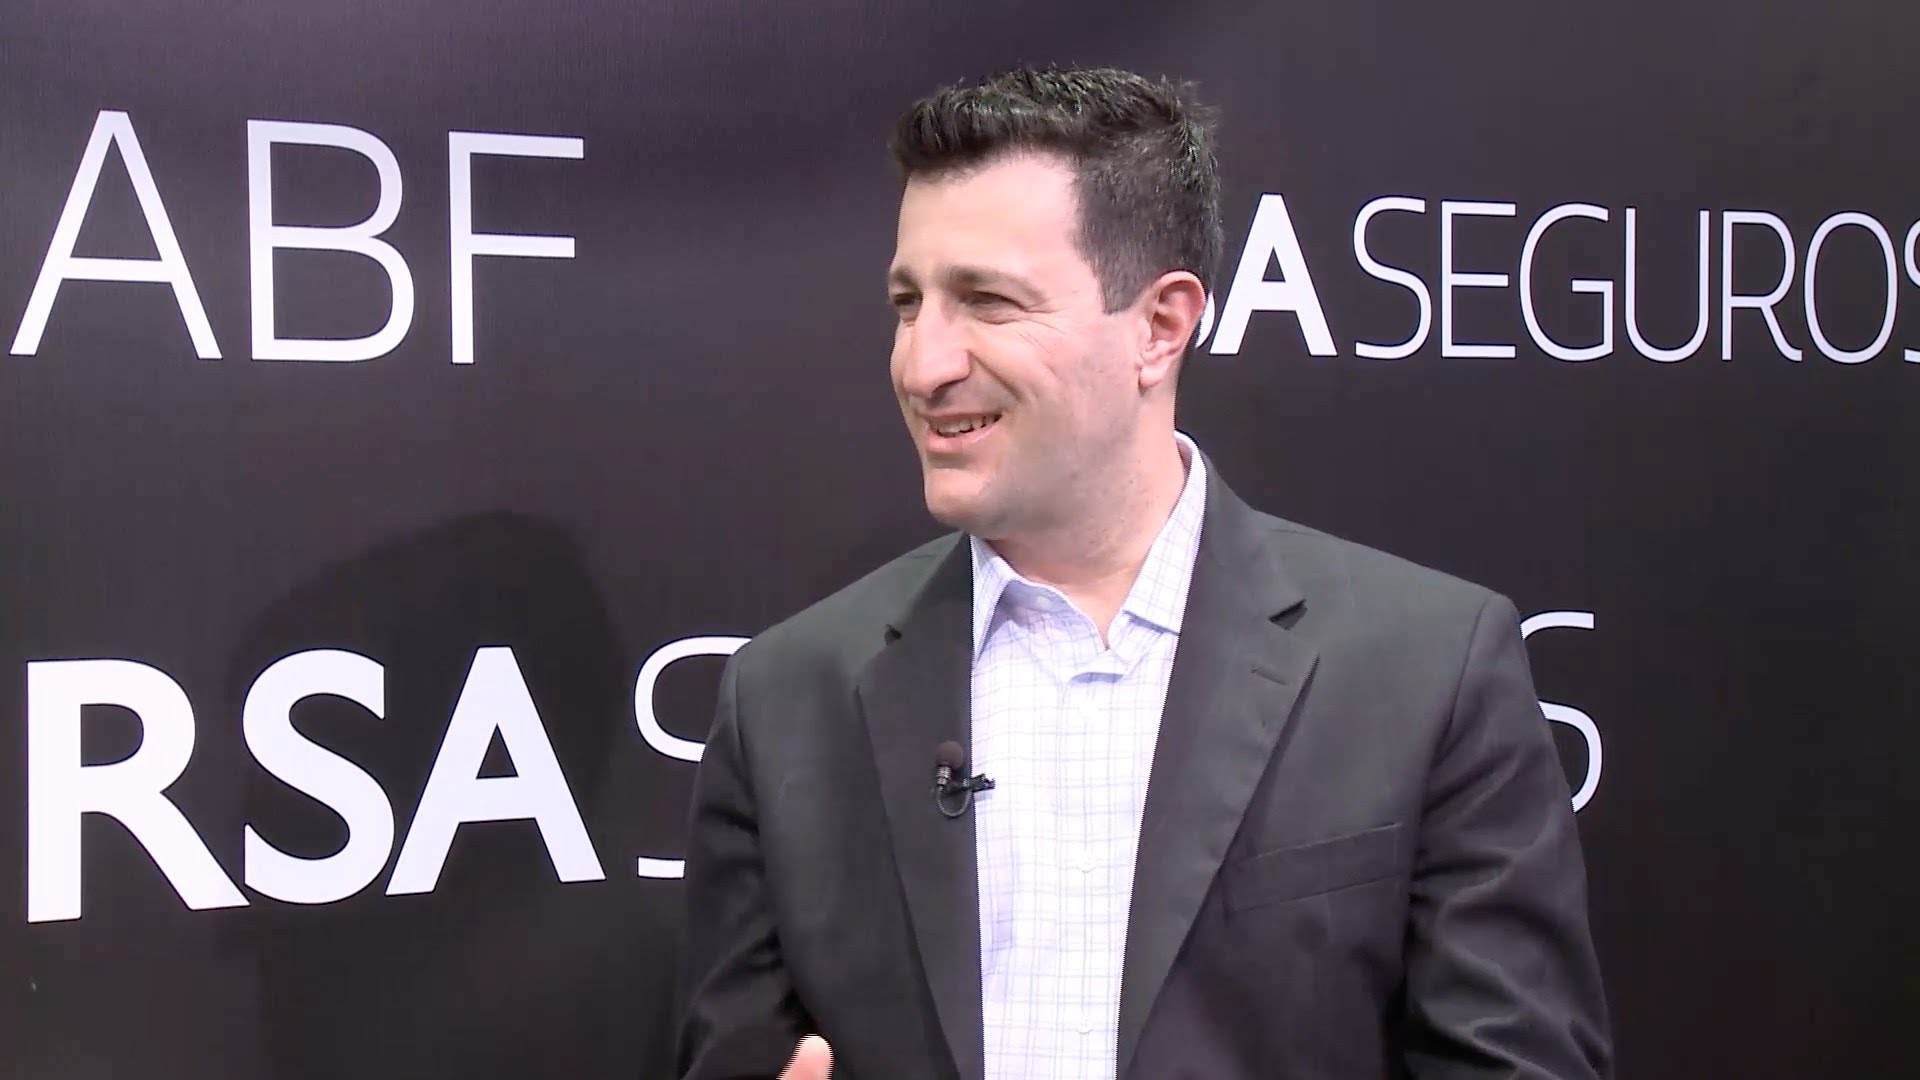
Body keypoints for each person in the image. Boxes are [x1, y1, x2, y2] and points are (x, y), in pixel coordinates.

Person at [675, 66, 1611, 1080]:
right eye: (910, 304)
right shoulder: (785, 698)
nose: (922, 364)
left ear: (1159, 326)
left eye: (987, 302)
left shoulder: (1429, 671)